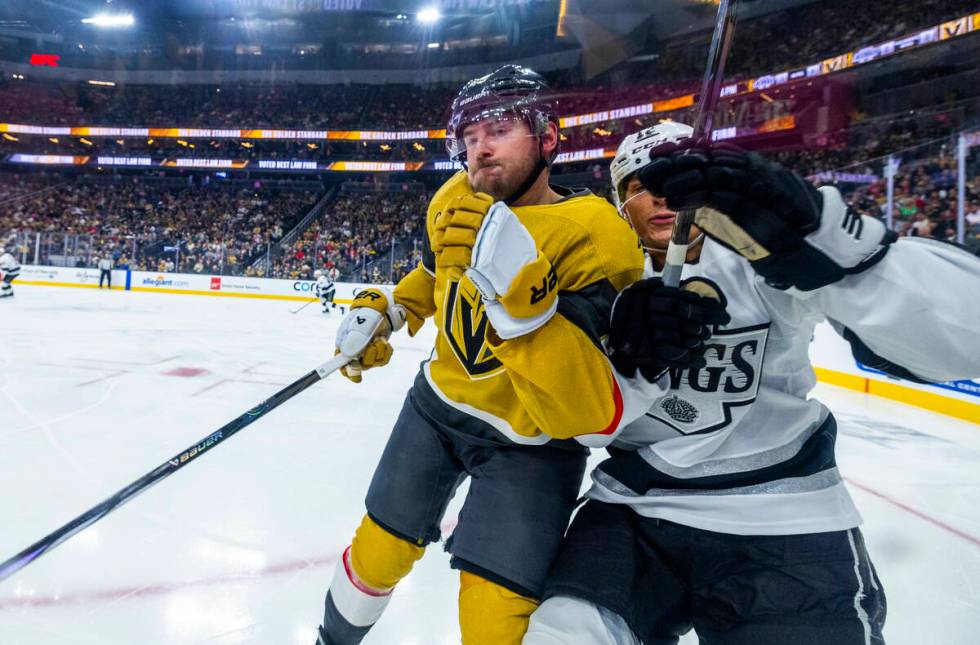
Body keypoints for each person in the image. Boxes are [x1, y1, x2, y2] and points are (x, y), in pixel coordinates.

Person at [524, 123, 980, 644]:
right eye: (638, 186)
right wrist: (627, 362)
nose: (660, 199)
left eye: (673, 184)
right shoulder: (594, 278)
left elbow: (968, 336)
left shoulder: (762, 257)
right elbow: (576, 424)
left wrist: (822, 242)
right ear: (618, 202)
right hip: (633, 511)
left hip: (786, 517)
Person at [315, 66, 715, 645]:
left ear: (548, 138)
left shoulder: (596, 233)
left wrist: (527, 304)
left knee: (494, 609)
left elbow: (588, 404)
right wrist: (390, 310)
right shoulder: (454, 196)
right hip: (438, 406)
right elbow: (436, 274)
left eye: (499, 128)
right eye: (470, 136)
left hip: (532, 444)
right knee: (377, 551)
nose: (480, 147)